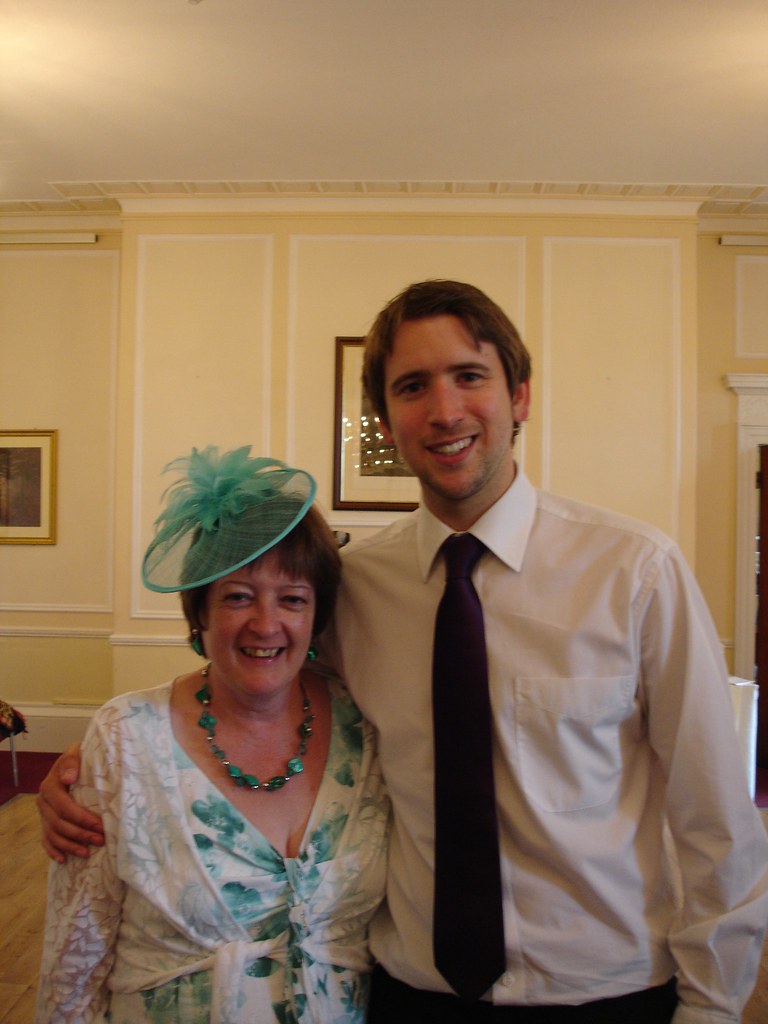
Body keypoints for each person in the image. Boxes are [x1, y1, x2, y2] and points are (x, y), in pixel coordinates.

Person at [39, 281, 768, 1023]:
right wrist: (100, 767)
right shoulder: (354, 590)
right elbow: (252, 675)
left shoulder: (635, 572)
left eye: (469, 377)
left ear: (519, 396)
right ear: (385, 421)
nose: (445, 411)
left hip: (603, 993)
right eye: (413, 387)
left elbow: (714, 815)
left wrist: (712, 1005)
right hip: (408, 994)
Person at [35, 446, 389, 1024]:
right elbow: (74, 964)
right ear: (198, 610)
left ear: (317, 616)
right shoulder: (125, 739)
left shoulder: (368, 729)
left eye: (292, 599)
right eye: (239, 596)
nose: (266, 623)